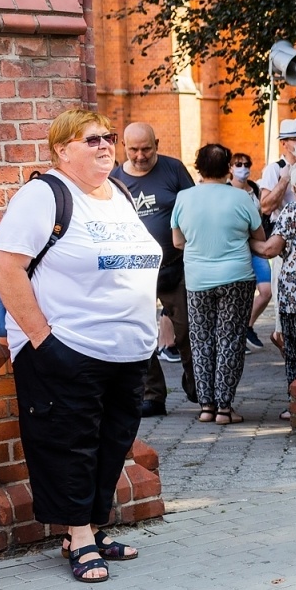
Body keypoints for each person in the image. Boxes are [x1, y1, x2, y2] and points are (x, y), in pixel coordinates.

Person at [0, 108, 164, 582]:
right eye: (91, 140)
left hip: (127, 350)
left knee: (111, 443)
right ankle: (79, 539)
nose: (105, 145)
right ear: (62, 150)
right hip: (68, 346)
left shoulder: (120, 194)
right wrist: (43, 340)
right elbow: (6, 266)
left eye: (107, 137)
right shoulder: (44, 195)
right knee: (70, 444)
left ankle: (88, 528)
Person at [172, 143, 265, 425]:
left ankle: (206, 407)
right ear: (228, 168)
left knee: (200, 341)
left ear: (197, 167)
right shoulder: (241, 199)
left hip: (198, 278)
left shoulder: (184, 198)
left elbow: (178, 241)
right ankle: (225, 408)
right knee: (231, 339)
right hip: (237, 277)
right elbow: (258, 236)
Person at [110, 121, 194, 417]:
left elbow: (192, 209)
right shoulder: (114, 179)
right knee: (141, 334)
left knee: (185, 330)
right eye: (133, 149)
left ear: (157, 143)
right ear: (124, 147)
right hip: (134, 273)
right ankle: (153, 395)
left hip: (175, 267)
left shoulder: (173, 170)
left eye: (146, 148)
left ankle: (197, 386)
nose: (140, 155)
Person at [253, 161, 296, 421]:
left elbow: (270, 249)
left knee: (295, 352)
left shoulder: (292, 210)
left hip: (294, 294)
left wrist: (249, 242)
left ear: (294, 186)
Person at [227, 150, 272, 352]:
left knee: (266, 291)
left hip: (255, 246)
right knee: (237, 296)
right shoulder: (225, 191)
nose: (242, 168)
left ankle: (247, 326)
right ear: (229, 168)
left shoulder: (254, 189)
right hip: (235, 248)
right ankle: (235, 336)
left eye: (246, 164)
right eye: (238, 164)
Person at [259, 119, 296, 217]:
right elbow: (266, 208)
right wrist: (284, 180)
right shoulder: (274, 169)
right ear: (284, 143)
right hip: (283, 228)